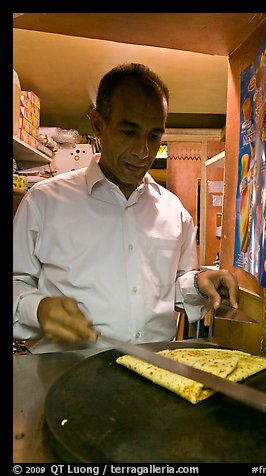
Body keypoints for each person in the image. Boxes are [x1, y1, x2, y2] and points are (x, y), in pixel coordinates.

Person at [13, 63, 239, 353]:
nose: (143, 151)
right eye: (129, 132)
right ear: (97, 124)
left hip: (153, 376)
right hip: (66, 378)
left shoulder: (175, 213)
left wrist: (197, 282)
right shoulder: (44, 202)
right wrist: (38, 308)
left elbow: (172, 289)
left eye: (154, 136)